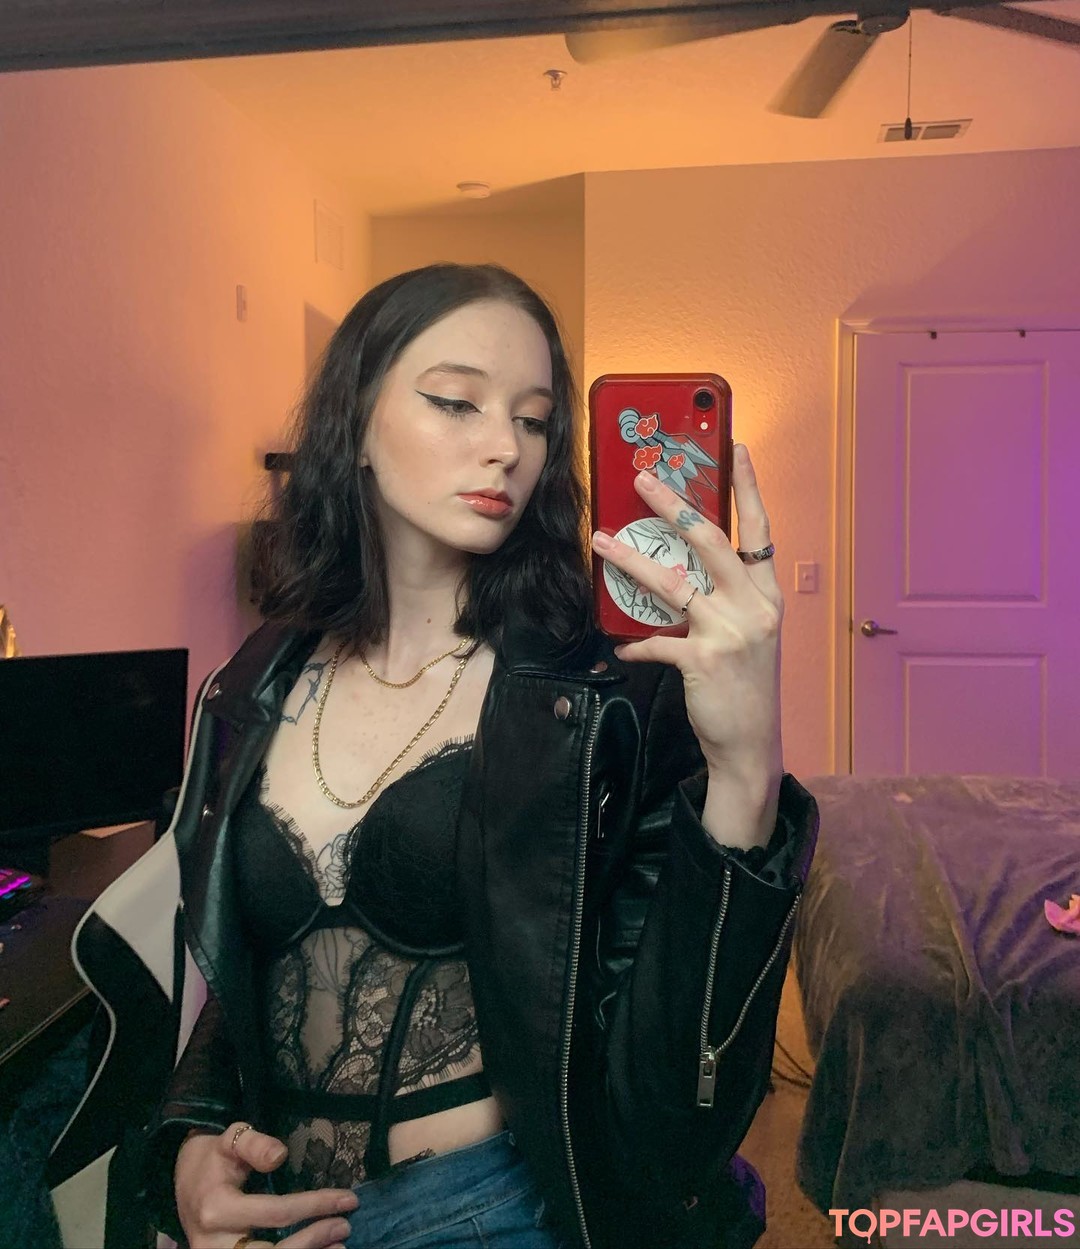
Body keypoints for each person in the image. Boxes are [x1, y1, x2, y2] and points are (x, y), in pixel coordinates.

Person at [135, 263, 817, 1249]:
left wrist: (747, 764)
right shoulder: (252, 681)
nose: (506, 447)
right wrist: (193, 1137)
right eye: (456, 401)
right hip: (281, 1218)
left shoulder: (601, 695)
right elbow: (244, 963)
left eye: (534, 420)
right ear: (354, 420)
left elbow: (676, 1101)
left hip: (496, 1210)